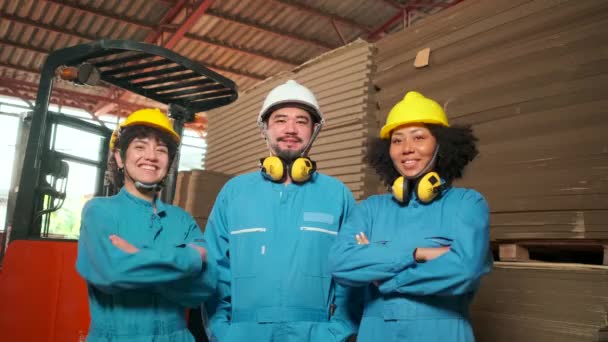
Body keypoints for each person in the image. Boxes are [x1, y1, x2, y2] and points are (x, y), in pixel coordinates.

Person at [203, 80, 361, 341]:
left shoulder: (336, 194)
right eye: (280, 120)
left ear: (314, 130)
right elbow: (214, 266)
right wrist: (222, 331)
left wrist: (336, 332)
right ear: (264, 128)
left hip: (316, 335)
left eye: (301, 121)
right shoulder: (235, 193)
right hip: (244, 335)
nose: (291, 129)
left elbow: (351, 270)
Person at [329, 91, 493, 341]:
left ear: (440, 144)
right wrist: (418, 254)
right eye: (397, 141)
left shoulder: (468, 204)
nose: (407, 149)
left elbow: (465, 270)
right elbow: (341, 264)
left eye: (419, 138)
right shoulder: (371, 209)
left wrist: (383, 276)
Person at [76, 108, 216, 342]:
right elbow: (112, 274)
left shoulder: (182, 220)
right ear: (120, 157)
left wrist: (137, 257)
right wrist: (189, 260)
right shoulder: (99, 211)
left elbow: (203, 288)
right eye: (140, 147)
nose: (151, 156)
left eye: (161, 150)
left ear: (168, 163)